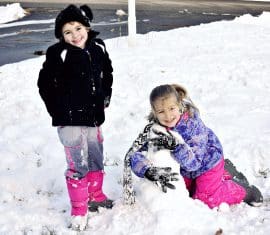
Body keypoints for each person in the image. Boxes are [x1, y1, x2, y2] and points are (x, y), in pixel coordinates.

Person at [124, 84, 263, 209]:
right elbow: (133, 154)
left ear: (179, 105)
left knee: (204, 200)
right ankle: (223, 174)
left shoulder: (192, 126)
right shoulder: (155, 129)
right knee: (182, 195)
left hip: (207, 162)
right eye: (161, 111)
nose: (167, 116)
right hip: (185, 167)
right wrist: (147, 170)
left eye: (171, 108)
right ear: (155, 112)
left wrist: (176, 146)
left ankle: (244, 191)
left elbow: (195, 164)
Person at [37, 4, 113, 231]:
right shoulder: (57, 53)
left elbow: (107, 73)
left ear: (87, 27)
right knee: (77, 164)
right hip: (69, 121)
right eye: (67, 32)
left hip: (93, 118)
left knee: (96, 157)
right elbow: (45, 86)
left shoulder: (98, 46)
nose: (74, 35)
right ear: (61, 36)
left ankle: (96, 194)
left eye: (78, 28)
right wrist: (57, 111)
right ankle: (79, 209)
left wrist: (105, 98)